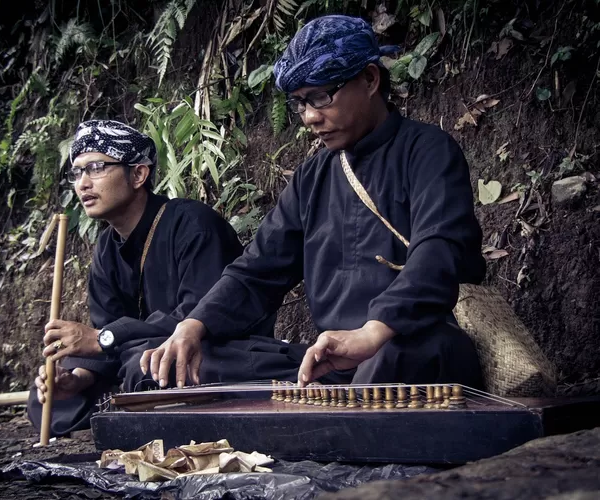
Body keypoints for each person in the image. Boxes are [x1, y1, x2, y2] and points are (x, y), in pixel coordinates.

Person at [140, 15, 486, 390]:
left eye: (320, 97)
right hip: (332, 360)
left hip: (407, 344)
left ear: (370, 80)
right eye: (300, 103)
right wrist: (194, 324)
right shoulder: (311, 177)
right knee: (196, 361)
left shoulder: (428, 151)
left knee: (398, 358)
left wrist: (373, 332)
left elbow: (438, 250)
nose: (309, 117)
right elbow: (257, 270)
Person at [28, 120, 306, 437]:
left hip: (220, 350)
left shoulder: (192, 223)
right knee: (48, 392)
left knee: (139, 364)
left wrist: (107, 339)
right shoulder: (106, 248)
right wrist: (77, 378)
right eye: (76, 173)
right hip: (146, 357)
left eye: (95, 168)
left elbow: (203, 316)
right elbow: (107, 343)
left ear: (138, 174)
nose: (83, 184)